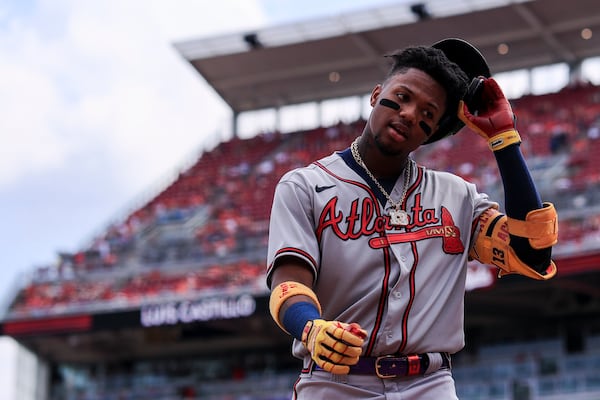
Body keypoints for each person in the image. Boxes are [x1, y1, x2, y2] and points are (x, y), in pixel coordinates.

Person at [266, 38, 558, 399]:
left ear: (432, 132)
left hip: (430, 384)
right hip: (334, 383)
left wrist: (504, 139)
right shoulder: (305, 186)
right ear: (376, 95)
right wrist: (311, 328)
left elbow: (532, 254)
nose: (409, 114)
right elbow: (287, 285)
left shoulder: (459, 197)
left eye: (427, 114)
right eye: (402, 97)